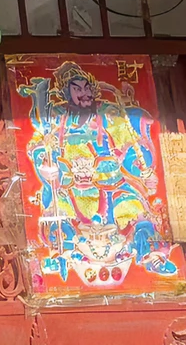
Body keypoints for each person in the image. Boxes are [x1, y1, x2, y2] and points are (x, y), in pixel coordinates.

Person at [19, 60, 177, 288]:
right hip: (70, 188)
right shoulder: (56, 117)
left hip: (110, 186)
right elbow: (38, 145)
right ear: (66, 92)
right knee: (58, 212)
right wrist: (46, 165)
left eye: (87, 88)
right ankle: (59, 255)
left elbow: (131, 148)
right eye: (77, 89)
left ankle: (150, 257)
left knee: (135, 210)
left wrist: (142, 172)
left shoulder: (110, 115)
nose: (84, 94)